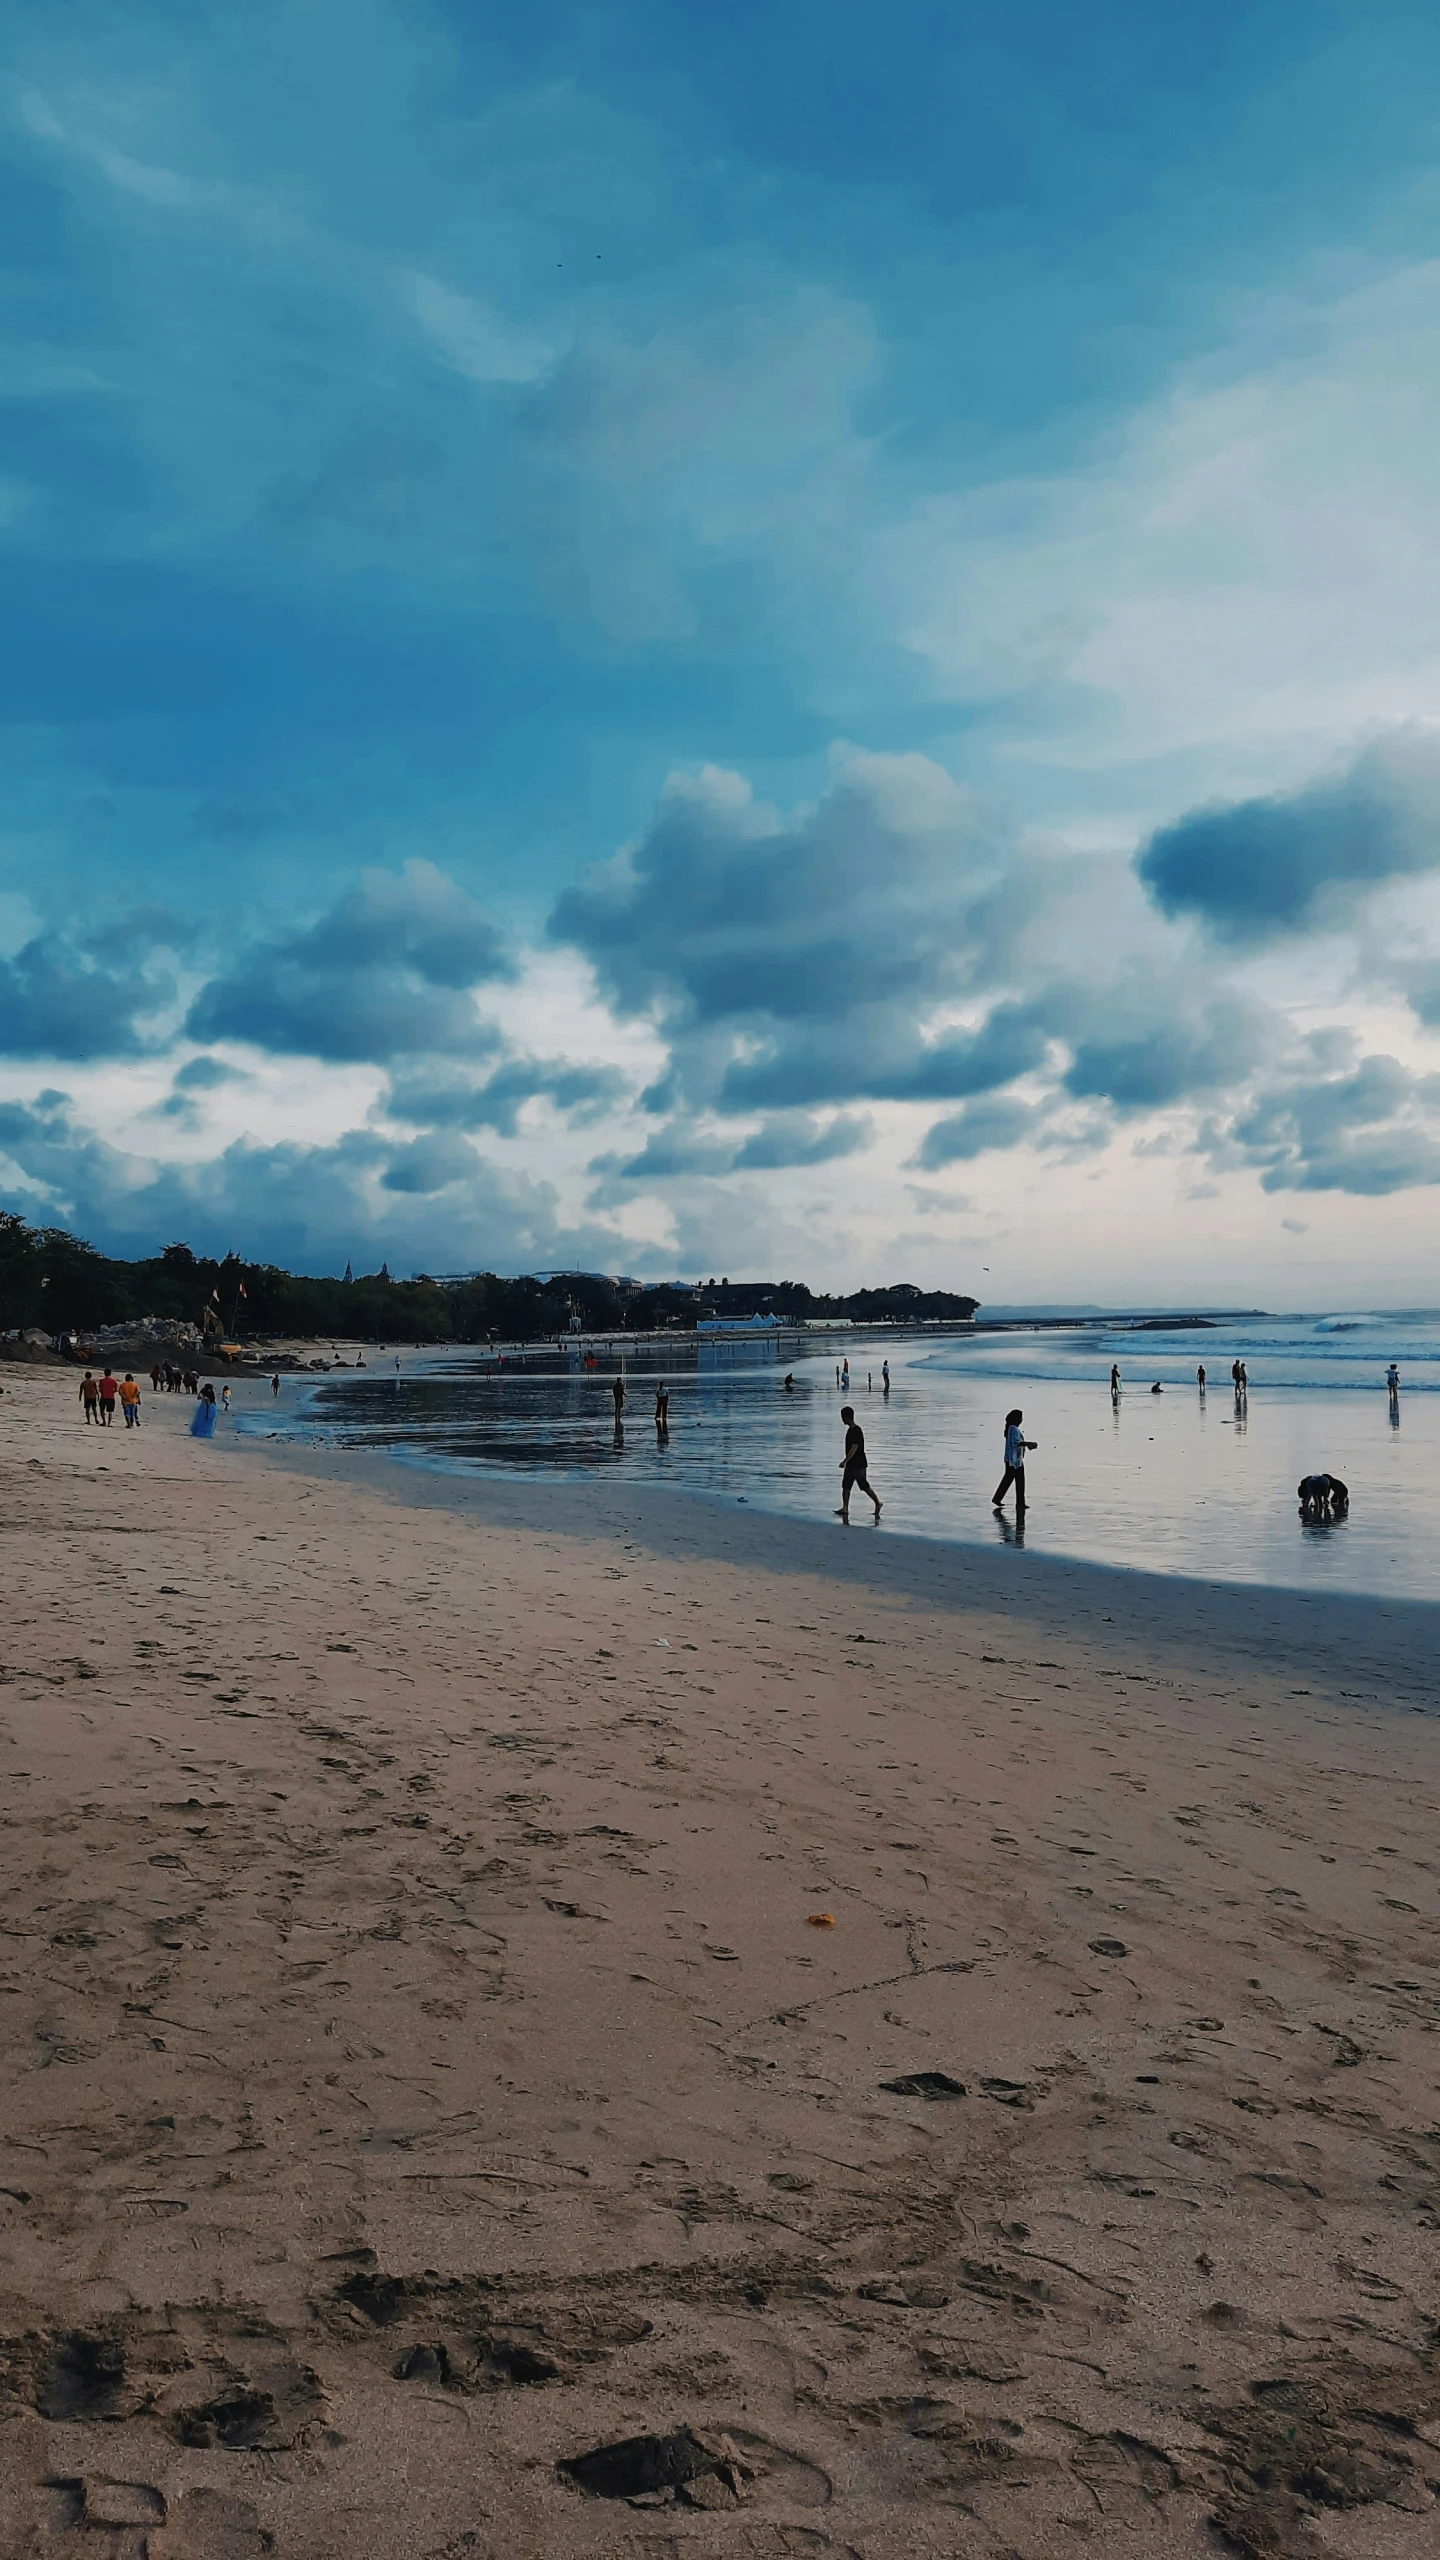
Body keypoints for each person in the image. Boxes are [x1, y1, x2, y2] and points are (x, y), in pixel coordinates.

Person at [835, 1405, 881, 1523]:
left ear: (846, 1417)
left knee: (864, 1485)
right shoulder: (851, 1430)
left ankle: (877, 1503)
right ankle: (845, 1507)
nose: (842, 1419)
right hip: (851, 1464)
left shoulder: (855, 1431)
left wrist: (845, 1461)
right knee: (846, 1485)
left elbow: (854, 1448)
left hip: (858, 1463)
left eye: (843, 1417)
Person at [992, 1407, 1035, 1512]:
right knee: (1015, 1481)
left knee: (1012, 1480)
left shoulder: (1011, 1429)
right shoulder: (1013, 1429)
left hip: (1015, 1460)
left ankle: (1017, 1502)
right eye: (1020, 1418)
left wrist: (1027, 1445)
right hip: (1013, 1461)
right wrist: (1029, 1443)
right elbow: (1016, 1443)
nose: (1021, 1420)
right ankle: (1016, 1503)